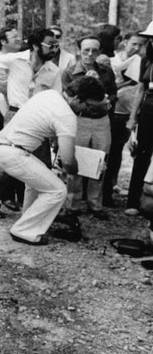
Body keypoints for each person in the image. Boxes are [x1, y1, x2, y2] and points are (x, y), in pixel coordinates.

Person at [0, 76, 107, 245]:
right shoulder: (67, 116)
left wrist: (92, 163)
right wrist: (91, 168)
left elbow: (63, 151)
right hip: (13, 152)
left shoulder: (50, 94)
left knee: (37, 182)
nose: (87, 111)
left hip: (3, 146)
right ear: (76, 98)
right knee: (58, 191)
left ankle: (28, 219)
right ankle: (24, 231)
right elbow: (68, 162)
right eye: (88, 105)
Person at [0, 28, 62, 218]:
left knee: (42, 165)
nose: (54, 48)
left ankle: (37, 208)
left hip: (39, 120)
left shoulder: (54, 71)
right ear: (36, 45)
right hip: (15, 115)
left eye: (56, 44)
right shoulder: (16, 59)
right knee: (10, 161)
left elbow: (56, 99)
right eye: (50, 44)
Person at [61, 35, 116, 219]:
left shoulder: (107, 71)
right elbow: (70, 101)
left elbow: (114, 95)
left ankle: (95, 205)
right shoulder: (69, 73)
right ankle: (73, 205)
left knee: (99, 162)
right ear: (79, 51)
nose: (90, 54)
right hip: (80, 120)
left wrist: (102, 100)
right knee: (76, 162)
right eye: (86, 50)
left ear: (100, 52)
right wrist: (98, 103)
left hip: (102, 121)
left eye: (94, 50)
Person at [104, 32, 148, 206]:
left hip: (134, 113)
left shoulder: (144, 62)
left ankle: (115, 185)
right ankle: (103, 190)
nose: (137, 48)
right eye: (134, 44)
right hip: (115, 112)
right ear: (125, 43)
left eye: (141, 45)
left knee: (125, 151)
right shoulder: (112, 62)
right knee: (111, 152)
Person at [125, 22, 153, 217]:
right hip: (149, 108)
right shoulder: (146, 60)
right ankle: (133, 200)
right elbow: (140, 90)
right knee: (142, 154)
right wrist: (132, 117)